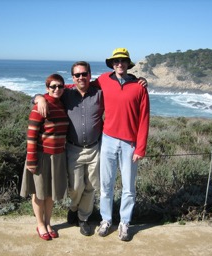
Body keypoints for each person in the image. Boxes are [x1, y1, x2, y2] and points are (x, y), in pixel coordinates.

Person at [34, 61, 104, 236]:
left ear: (90, 75)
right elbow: (48, 95)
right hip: (73, 148)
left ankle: (83, 218)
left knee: (91, 185)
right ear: (73, 77)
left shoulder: (99, 94)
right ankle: (73, 208)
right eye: (77, 75)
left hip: (95, 147)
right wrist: (39, 98)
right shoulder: (66, 93)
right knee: (76, 186)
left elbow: (118, 86)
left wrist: (135, 79)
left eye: (84, 74)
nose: (81, 77)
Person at [95, 48, 150, 241]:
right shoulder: (102, 80)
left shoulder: (139, 86)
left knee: (128, 187)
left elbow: (144, 119)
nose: (120, 64)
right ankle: (106, 220)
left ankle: (124, 222)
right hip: (108, 139)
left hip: (130, 143)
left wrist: (140, 148)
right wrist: (42, 95)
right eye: (116, 61)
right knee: (106, 185)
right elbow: (81, 87)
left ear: (128, 63)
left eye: (123, 61)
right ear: (112, 63)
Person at [20, 74, 69, 241]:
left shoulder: (62, 104)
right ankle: (40, 224)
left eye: (60, 86)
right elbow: (32, 135)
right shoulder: (40, 106)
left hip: (57, 157)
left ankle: (49, 223)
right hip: (41, 156)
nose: (57, 89)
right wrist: (32, 160)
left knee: (50, 193)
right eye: (53, 86)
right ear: (47, 88)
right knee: (39, 193)